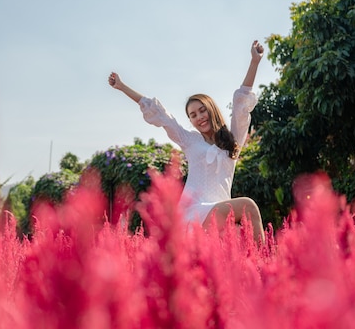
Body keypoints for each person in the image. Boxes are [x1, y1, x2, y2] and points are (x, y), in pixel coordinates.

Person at [108, 40, 266, 242]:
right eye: (193, 115)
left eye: (202, 110)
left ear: (211, 110)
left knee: (232, 248)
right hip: (193, 211)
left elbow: (241, 104)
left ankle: (261, 266)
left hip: (219, 213)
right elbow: (160, 113)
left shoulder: (232, 141)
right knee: (248, 206)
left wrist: (254, 61)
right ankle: (266, 262)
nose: (199, 117)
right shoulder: (189, 140)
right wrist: (122, 86)